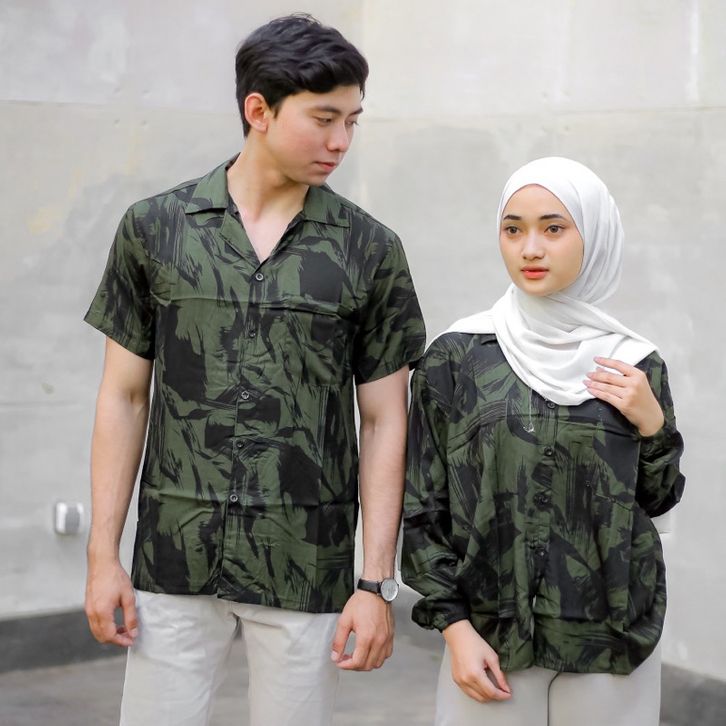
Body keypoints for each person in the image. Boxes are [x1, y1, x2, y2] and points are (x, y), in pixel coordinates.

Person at [83, 14, 425, 726]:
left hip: (306, 560)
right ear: (259, 110)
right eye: (324, 119)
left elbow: (385, 420)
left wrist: (375, 582)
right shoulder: (156, 229)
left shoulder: (370, 250)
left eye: (352, 121)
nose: (341, 141)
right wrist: (102, 555)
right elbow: (123, 398)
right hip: (174, 555)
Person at [402, 157, 685, 726]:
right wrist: (455, 629)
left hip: (609, 642)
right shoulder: (458, 356)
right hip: (489, 639)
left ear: (593, 235)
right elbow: (422, 507)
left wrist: (654, 427)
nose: (530, 249)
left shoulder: (633, 363)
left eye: (553, 228)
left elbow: (655, 502)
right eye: (514, 229)